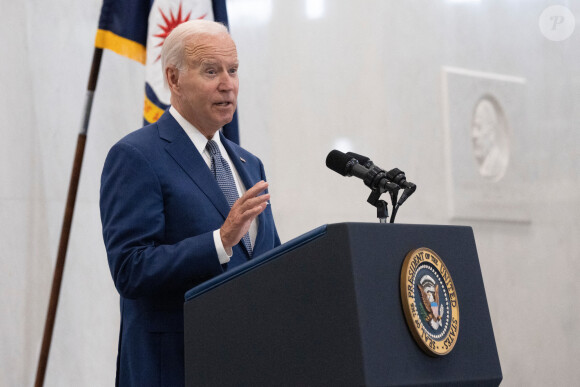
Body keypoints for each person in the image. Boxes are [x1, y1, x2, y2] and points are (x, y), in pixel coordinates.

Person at [99, 20, 280, 386]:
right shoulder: (136, 156)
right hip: (173, 369)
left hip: (247, 364)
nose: (227, 84)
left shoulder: (249, 163)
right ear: (174, 79)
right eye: (211, 71)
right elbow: (130, 269)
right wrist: (220, 241)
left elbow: (270, 262)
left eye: (233, 70)